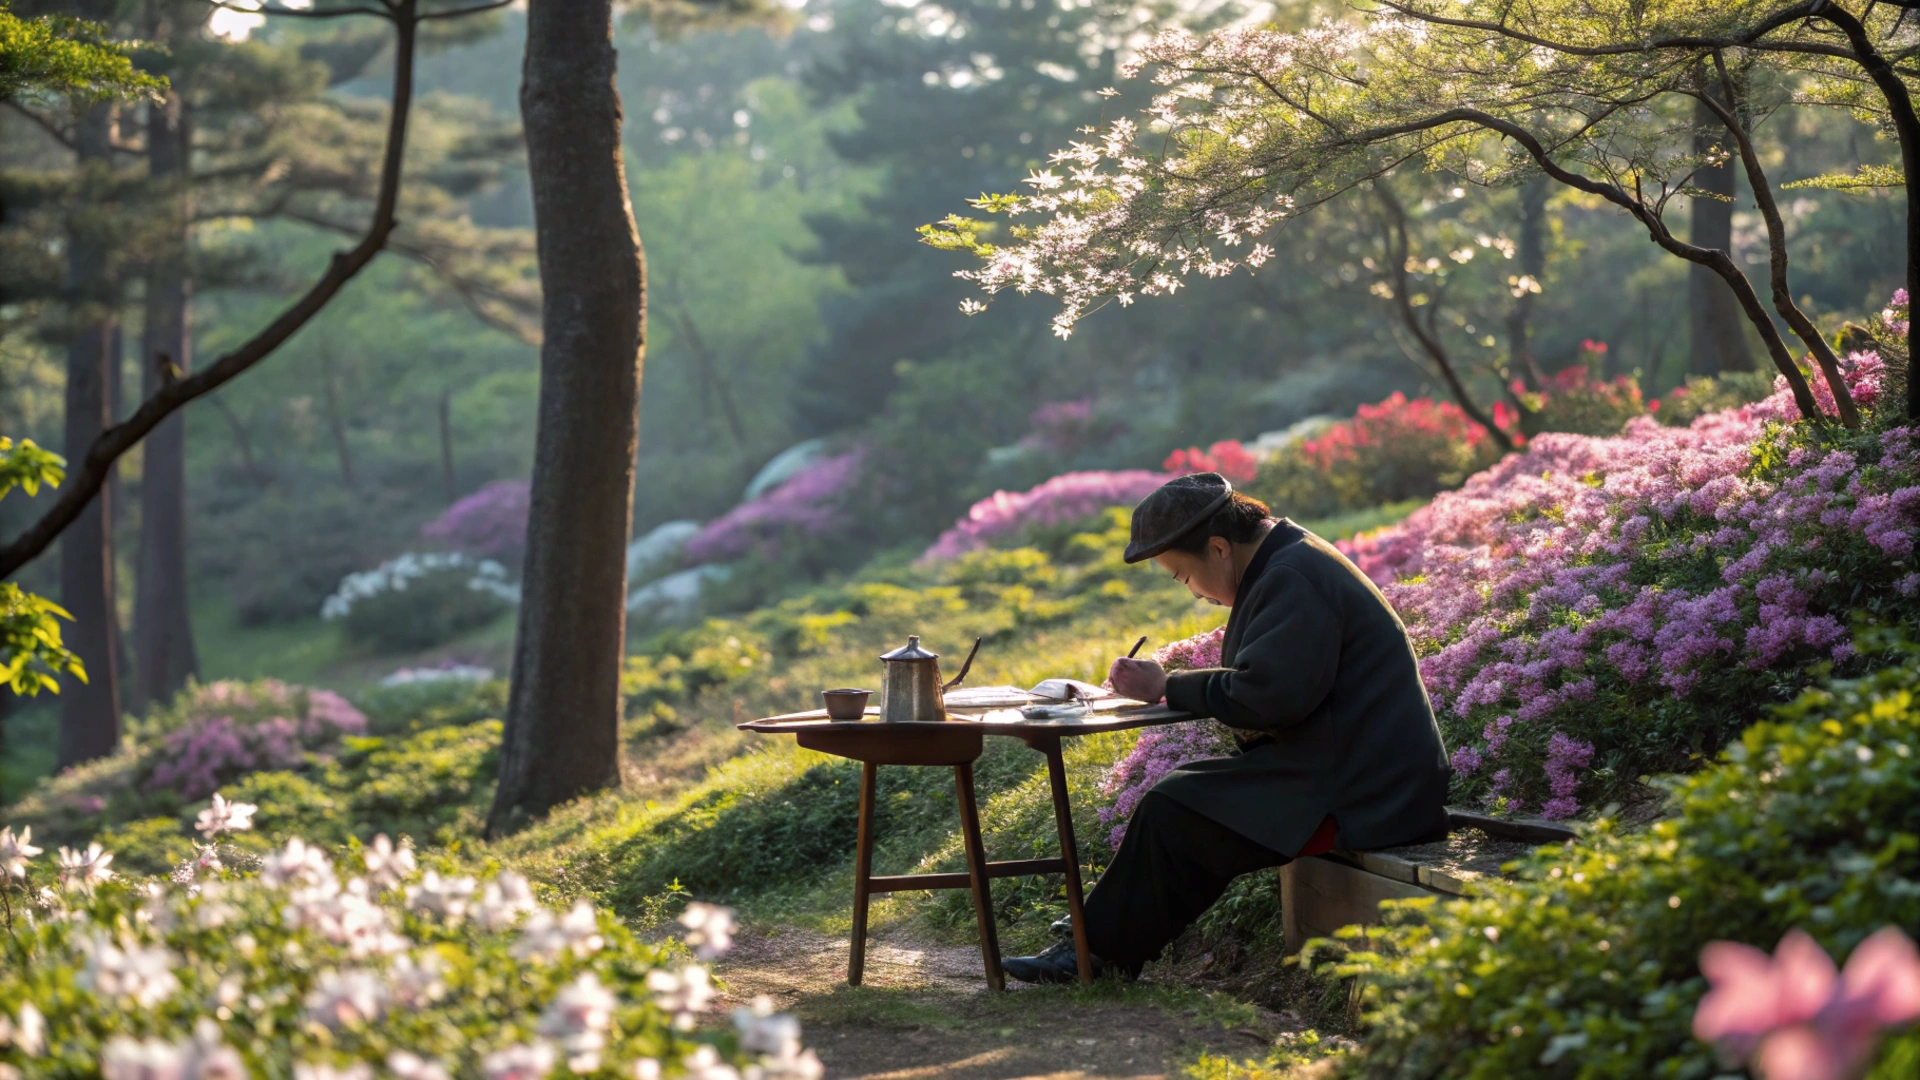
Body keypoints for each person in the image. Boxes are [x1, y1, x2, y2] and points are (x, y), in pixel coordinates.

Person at [1002, 471, 1451, 983]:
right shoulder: (1288, 558)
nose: (1193, 594)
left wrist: (1167, 686)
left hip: (1363, 789)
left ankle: (1093, 953)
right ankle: (1101, 946)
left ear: (1218, 547)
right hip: (1349, 766)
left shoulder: (1291, 574)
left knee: (1174, 809)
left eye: (1183, 577)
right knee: (1181, 803)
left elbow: (1268, 697)